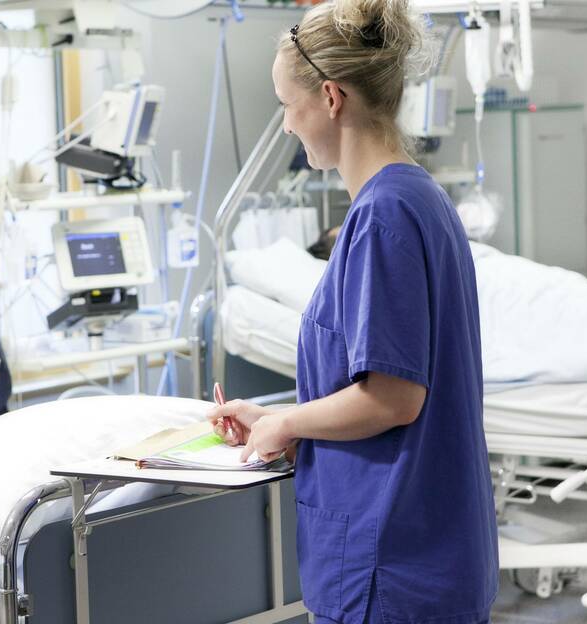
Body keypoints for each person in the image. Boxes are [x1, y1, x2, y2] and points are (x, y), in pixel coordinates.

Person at [206, 1, 499, 622]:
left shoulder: (381, 217)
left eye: (287, 105)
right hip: (425, 549)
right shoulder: (420, 198)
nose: (287, 125)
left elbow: (393, 399)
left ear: (331, 98)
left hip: (390, 560)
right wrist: (280, 420)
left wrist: (287, 424)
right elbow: (383, 385)